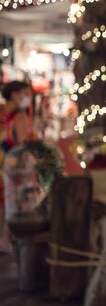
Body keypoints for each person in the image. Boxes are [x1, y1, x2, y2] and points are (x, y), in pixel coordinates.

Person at [0, 81, 33, 253]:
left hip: (2, 160)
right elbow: (22, 143)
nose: (28, 97)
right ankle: (6, 240)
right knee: (12, 201)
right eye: (25, 93)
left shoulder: (2, 112)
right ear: (14, 94)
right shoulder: (19, 115)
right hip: (12, 163)